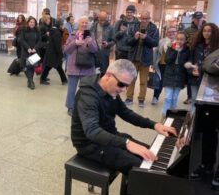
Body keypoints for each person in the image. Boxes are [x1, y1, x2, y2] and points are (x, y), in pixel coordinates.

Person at [71, 59, 177, 194]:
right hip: (89, 145)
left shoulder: (110, 89)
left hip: (109, 137)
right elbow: (92, 131)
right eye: (121, 84)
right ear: (108, 75)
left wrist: (154, 125)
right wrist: (127, 143)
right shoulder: (88, 96)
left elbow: (125, 113)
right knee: (142, 169)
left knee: (151, 155)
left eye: (127, 86)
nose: (123, 90)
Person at [186, 23, 219, 187]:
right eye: (204, 30)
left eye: (209, 31)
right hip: (207, 96)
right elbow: (207, 66)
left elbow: (209, 66)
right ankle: (206, 165)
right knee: (208, 133)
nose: (206, 33)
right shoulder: (202, 47)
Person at [64, 16, 98, 116]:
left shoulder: (91, 35)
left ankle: (84, 107)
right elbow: (66, 50)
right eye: (82, 22)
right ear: (78, 24)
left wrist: (89, 42)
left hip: (87, 68)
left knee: (86, 90)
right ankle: (70, 107)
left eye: (86, 23)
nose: (84, 24)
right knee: (71, 89)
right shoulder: (73, 35)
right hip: (74, 67)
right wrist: (75, 43)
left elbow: (95, 50)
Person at [125, 11, 159, 108]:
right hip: (134, 58)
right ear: (140, 18)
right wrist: (135, 38)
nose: (144, 20)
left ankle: (141, 99)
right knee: (131, 79)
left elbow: (155, 43)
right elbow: (128, 41)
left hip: (145, 59)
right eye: (142, 18)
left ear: (149, 18)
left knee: (143, 81)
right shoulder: (135, 26)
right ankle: (129, 98)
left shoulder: (154, 29)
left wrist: (146, 37)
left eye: (146, 19)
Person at [161, 32, 190, 118]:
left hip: (180, 76)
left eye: (182, 39)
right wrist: (175, 51)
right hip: (169, 75)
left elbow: (184, 64)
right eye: (178, 39)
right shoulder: (171, 48)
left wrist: (185, 81)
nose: (179, 41)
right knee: (168, 97)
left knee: (174, 97)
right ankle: (164, 113)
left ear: (185, 41)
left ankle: (173, 112)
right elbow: (167, 60)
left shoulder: (187, 50)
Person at [183, 11, 205, 105]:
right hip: (191, 54)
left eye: (200, 18)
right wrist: (191, 44)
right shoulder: (188, 30)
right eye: (197, 19)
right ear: (193, 19)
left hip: (203, 54)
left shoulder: (206, 28)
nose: (199, 20)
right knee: (190, 76)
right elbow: (184, 42)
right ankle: (190, 96)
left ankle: (200, 97)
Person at [151, 26, 177, 105]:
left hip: (173, 67)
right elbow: (155, 52)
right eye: (170, 32)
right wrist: (153, 63)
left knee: (171, 83)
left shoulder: (179, 42)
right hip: (162, 64)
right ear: (167, 33)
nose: (171, 33)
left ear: (176, 32)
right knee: (159, 81)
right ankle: (155, 97)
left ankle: (171, 99)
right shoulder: (162, 41)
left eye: (173, 31)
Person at [40, 20, 67, 85]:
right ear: (60, 25)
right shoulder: (57, 33)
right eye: (62, 25)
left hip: (50, 52)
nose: (63, 26)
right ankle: (64, 80)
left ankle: (43, 78)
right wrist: (61, 54)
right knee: (57, 67)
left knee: (50, 66)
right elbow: (57, 45)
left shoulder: (52, 31)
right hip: (54, 53)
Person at [19, 16, 41, 90]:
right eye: (31, 22)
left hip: (34, 52)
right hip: (26, 51)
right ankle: (31, 81)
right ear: (28, 23)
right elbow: (22, 40)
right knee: (26, 67)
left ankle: (30, 81)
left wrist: (35, 48)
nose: (32, 23)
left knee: (32, 67)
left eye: (34, 22)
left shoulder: (37, 30)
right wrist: (27, 48)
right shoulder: (23, 29)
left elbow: (39, 41)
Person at [90, 11, 114, 75]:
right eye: (101, 20)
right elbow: (87, 36)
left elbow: (114, 40)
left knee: (103, 74)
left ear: (106, 18)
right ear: (98, 18)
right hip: (94, 54)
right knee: (94, 75)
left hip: (104, 55)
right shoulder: (93, 26)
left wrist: (108, 44)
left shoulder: (110, 28)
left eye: (104, 20)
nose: (102, 22)